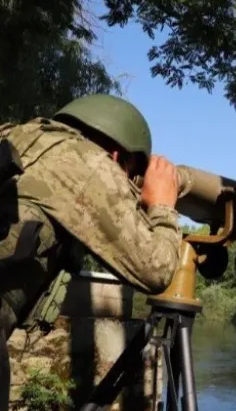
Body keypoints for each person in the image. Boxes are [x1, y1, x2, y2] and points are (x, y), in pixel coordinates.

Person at [0, 94, 183, 409]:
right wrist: (164, 207)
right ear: (115, 157)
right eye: (129, 175)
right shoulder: (89, 163)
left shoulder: (16, 134)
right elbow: (157, 270)